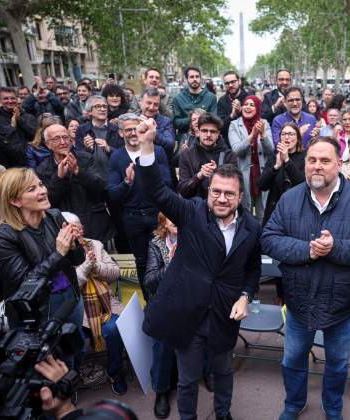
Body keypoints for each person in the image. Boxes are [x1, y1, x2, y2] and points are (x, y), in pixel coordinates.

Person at [134, 117, 262, 420]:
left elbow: (253, 269)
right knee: (189, 380)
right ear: (208, 191)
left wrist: (245, 295)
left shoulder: (253, 227)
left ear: (240, 197)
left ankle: (223, 413)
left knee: (223, 372)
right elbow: (156, 191)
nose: (221, 198)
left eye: (229, 194)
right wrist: (146, 145)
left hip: (224, 315)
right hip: (188, 314)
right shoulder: (191, 213)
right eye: (215, 191)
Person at [261, 137, 350, 420]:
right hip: (298, 302)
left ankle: (333, 408)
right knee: (292, 360)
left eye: (325, 161)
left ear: (339, 164)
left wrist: (336, 248)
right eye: (312, 160)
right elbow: (268, 238)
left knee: (338, 364)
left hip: (341, 305)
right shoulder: (290, 198)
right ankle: (294, 404)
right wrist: (306, 249)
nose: (317, 167)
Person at [0, 168, 85, 364]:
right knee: (49, 361)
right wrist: (58, 253)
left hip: (71, 297)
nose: (42, 191)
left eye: (41, 184)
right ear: (14, 201)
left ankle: (70, 386)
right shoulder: (2, 237)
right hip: (39, 312)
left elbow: (77, 260)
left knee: (73, 348)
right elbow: (25, 283)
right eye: (32, 189)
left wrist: (75, 244)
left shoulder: (55, 216)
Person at [107, 113, 172, 300]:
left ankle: (166, 300)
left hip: (156, 215)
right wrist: (126, 182)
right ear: (121, 133)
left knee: (164, 258)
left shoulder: (156, 151)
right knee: (142, 262)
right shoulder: (117, 158)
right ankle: (149, 302)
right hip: (133, 218)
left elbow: (167, 183)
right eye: (128, 129)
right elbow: (113, 195)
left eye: (136, 128)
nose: (133, 133)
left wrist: (146, 171)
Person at [65, 211, 126, 395]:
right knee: (74, 339)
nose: (80, 231)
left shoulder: (96, 245)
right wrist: (85, 267)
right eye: (74, 228)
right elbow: (68, 286)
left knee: (113, 330)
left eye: (80, 227)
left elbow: (116, 273)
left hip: (105, 306)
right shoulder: (59, 253)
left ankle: (115, 373)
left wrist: (97, 266)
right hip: (76, 311)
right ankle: (72, 380)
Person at [36, 124, 113, 243]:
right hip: (65, 228)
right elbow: (47, 201)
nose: (63, 142)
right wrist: (59, 177)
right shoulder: (42, 169)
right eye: (56, 139)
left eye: (66, 137)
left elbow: (101, 186)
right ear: (48, 144)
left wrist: (78, 172)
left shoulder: (86, 158)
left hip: (94, 223)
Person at [145, 213, 179, 418]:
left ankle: (208, 371)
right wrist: (170, 265)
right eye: (169, 218)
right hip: (164, 304)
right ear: (164, 224)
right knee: (163, 339)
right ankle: (162, 390)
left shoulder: (196, 239)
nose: (174, 220)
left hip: (191, 301)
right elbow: (150, 282)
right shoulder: (156, 245)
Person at [228, 95, 274, 218]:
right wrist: (251, 136)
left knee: (263, 214)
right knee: (245, 212)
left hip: (262, 174)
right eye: (246, 104)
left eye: (252, 105)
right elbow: (237, 150)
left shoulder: (264, 123)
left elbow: (271, 150)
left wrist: (263, 134)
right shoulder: (234, 125)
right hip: (244, 175)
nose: (248, 107)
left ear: (258, 108)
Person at [178, 113, 236, 199]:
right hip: (194, 207)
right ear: (198, 132)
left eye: (212, 131)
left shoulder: (229, 155)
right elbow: (183, 191)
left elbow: (234, 188)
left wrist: (218, 173)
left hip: (220, 206)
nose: (208, 135)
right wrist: (199, 176)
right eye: (204, 131)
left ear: (218, 134)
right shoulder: (186, 155)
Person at [258, 122, 306, 225]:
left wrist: (287, 161)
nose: (287, 137)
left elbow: (303, 185)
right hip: (274, 211)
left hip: (297, 211)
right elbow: (261, 185)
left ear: (298, 138)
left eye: (291, 134)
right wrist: (275, 167)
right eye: (283, 134)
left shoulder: (305, 157)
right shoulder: (274, 157)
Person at [0, 87, 37, 168]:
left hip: (30, 162)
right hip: (9, 164)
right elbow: (1, 142)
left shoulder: (27, 116)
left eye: (12, 98)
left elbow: (35, 134)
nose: (10, 101)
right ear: (0, 101)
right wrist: (12, 127)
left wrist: (19, 120)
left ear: (17, 99)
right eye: (6, 98)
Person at [173, 66, 218, 135]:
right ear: (186, 79)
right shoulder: (178, 98)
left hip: (206, 136)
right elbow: (176, 122)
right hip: (185, 137)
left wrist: (200, 118)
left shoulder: (211, 97)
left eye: (197, 76)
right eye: (191, 77)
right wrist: (192, 119)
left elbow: (214, 119)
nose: (195, 79)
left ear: (200, 78)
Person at [137, 87, 176, 157]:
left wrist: (152, 131)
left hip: (159, 163)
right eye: (148, 103)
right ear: (140, 102)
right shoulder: (132, 119)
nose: (152, 107)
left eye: (155, 104)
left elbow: (170, 145)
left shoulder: (166, 121)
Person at [217, 71, 250, 139]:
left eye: (233, 82)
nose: (230, 85)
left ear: (239, 81)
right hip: (228, 142)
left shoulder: (250, 98)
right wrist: (231, 116)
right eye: (227, 83)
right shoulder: (222, 101)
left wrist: (241, 110)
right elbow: (220, 126)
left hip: (248, 138)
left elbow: (257, 120)